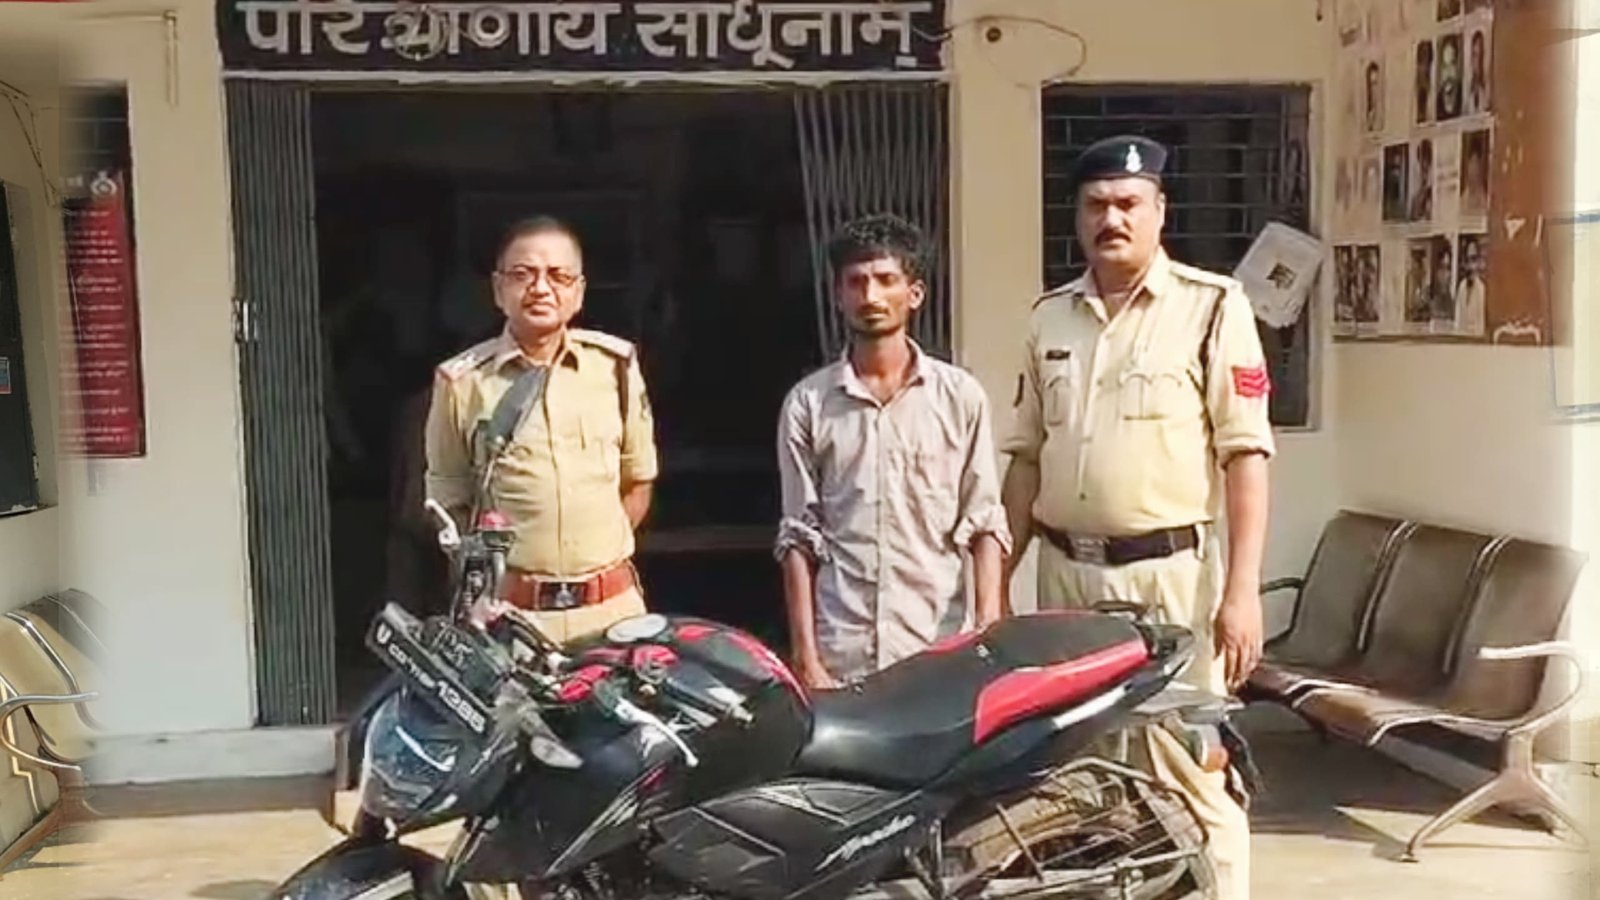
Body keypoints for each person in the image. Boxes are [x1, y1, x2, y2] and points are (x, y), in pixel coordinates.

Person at [999, 135, 1273, 900]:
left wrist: (1242, 591)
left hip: (1168, 582)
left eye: (1127, 203)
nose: (1111, 219)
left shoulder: (1211, 307)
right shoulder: (1049, 318)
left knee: (1190, 764)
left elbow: (1246, 455)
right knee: (1080, 771)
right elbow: (1026, 460)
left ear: (1160, 211)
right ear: (1077, 218)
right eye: (1095, 205)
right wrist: (995, 582)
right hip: (1066, 579)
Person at [775, 214, 1011, 689]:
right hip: (843, 656)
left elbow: (985, 522)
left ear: (915, 293)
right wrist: (807, 659)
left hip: (938, 650)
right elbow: (798, 539)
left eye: (886, 280)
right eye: (856, 282)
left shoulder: (959, 397)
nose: (871, 297)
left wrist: (987, 629)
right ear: (838, 295)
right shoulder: (809, 404)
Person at [424, 215, 659, 644]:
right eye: (522, 274)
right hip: (512, 620)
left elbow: (638, 481)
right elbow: (448, 504)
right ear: (499, 290)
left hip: (613, 616)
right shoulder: (462, 384)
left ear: (579, 292)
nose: (541, 288)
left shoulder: (615, 369)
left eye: (559, 276)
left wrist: (590, 560)